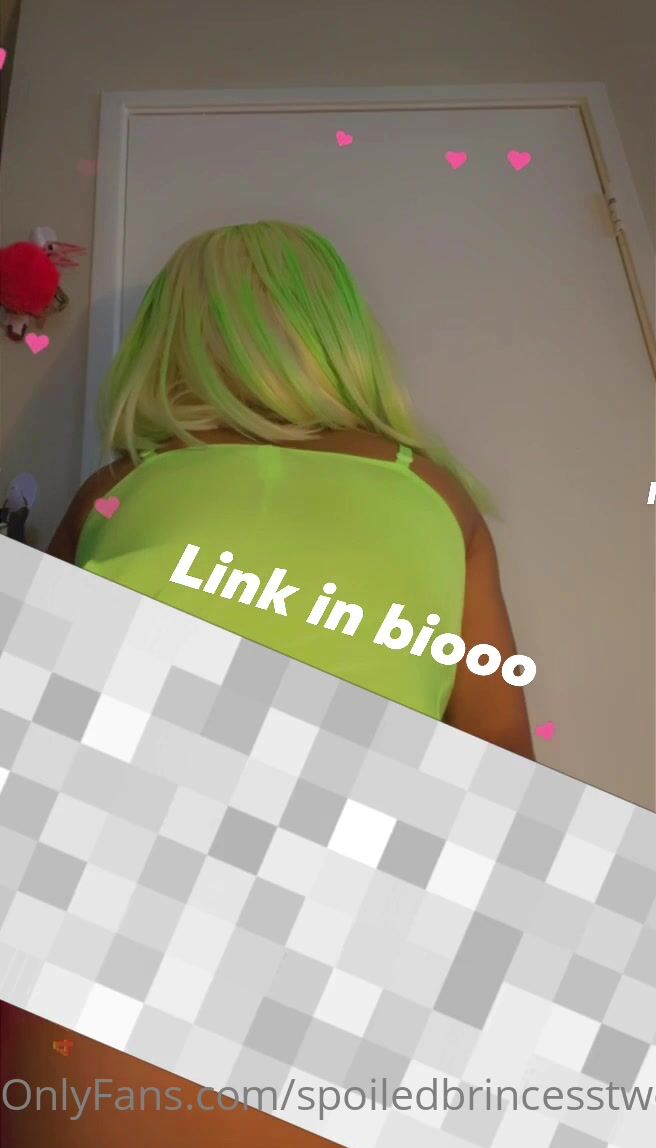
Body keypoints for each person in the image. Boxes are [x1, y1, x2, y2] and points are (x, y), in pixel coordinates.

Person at [48, 221, 534, 758]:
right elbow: (502, 748)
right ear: (338, 337)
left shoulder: (114, 490)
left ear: (166, 342)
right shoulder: (436, 494)